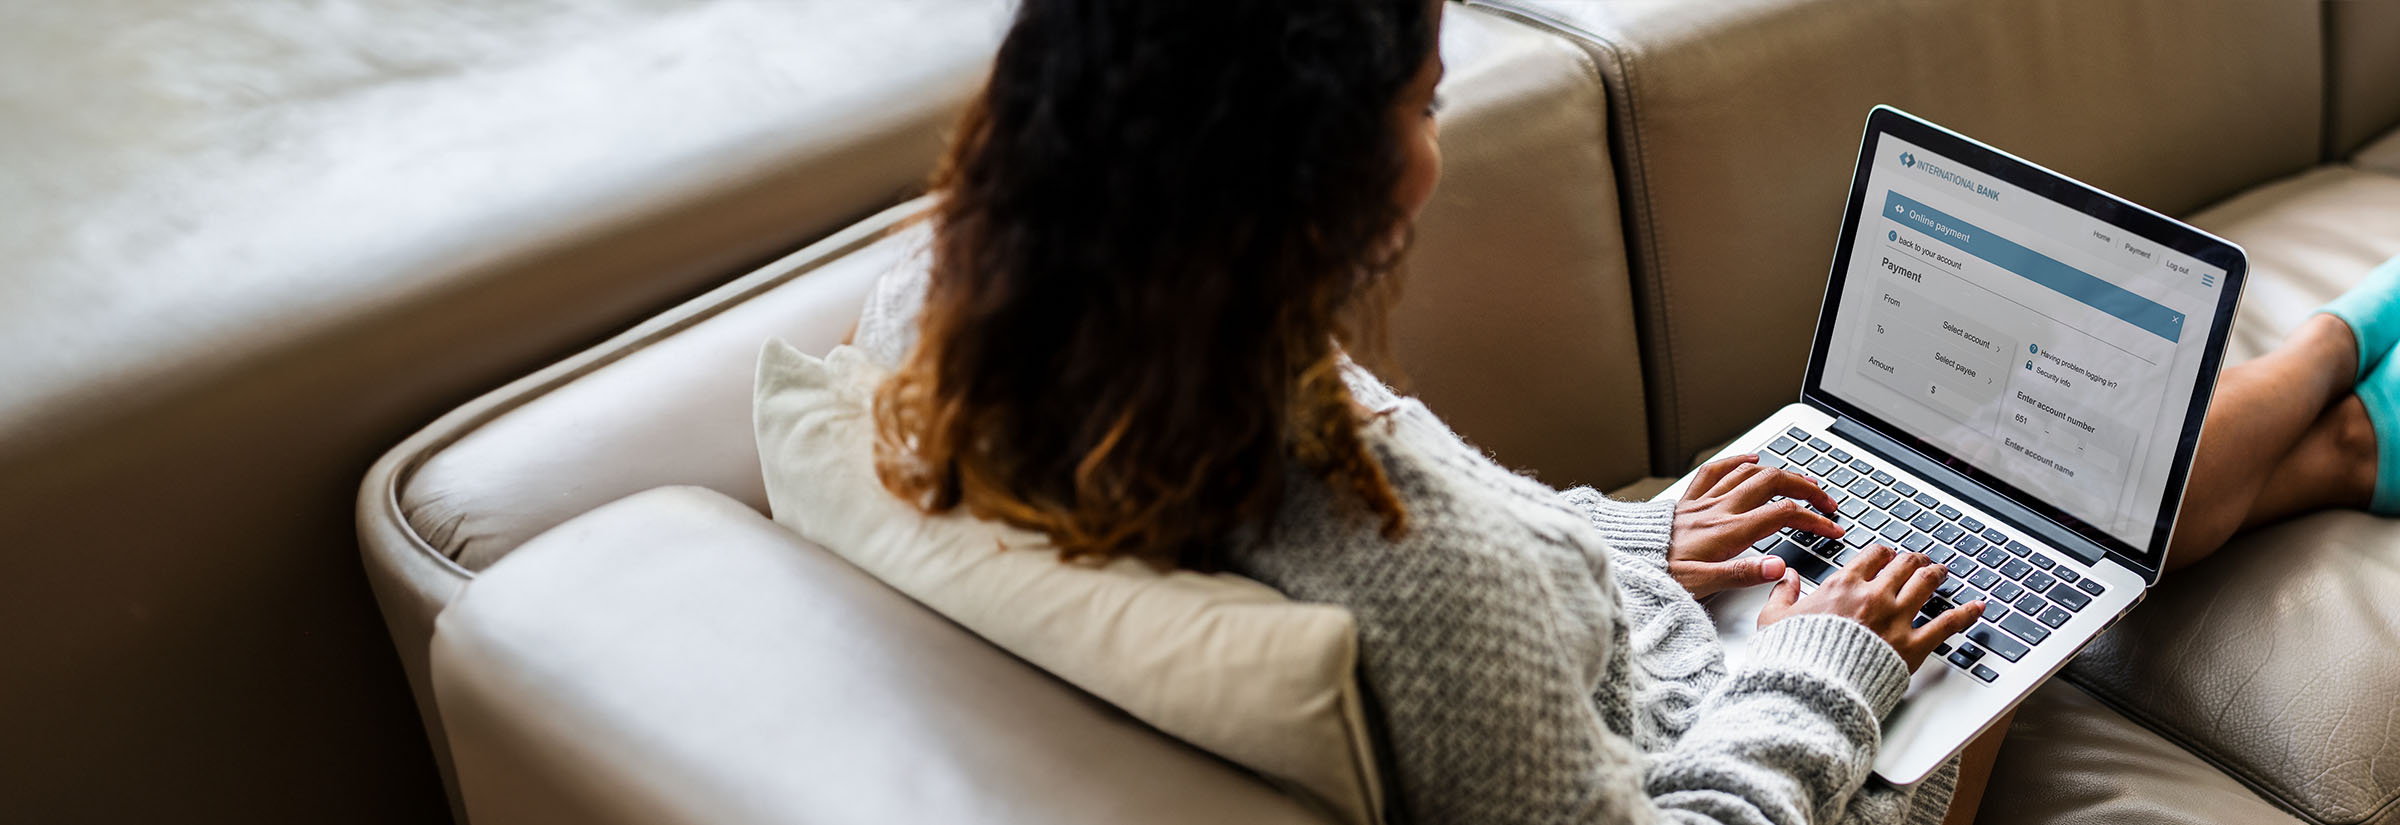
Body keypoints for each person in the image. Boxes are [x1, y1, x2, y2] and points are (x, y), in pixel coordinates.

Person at [842, 0, 2396, 822]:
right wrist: (1833, 660)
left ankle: (2335, 408)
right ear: (1313, 178)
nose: (1431, 149)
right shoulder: (1410, 571)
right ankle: (2345, 345)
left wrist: (1635, 534)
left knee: (2075, 507)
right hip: (1800, 763)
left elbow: (1458, 561)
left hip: (1678, 645)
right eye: (1425, 104)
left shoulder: (968, 319)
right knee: (2032, 523)